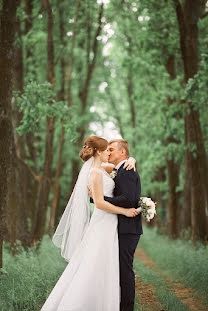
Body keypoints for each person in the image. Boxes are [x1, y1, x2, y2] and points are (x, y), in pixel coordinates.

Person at [41, 136, 139, 311]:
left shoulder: (103, 168)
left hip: (110, 222)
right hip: (103, 221)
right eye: (106, 150)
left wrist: (132, 158)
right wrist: (124, 211)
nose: (108, 153)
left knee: (106, 264)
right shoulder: (94, 171)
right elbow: (100, 203)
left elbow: (123, 165)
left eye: (111, 150)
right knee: (94, 262)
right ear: (99, 152)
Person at [104, 139, 142, 311]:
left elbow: (128, 200)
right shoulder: (119, 170)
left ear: (122, 153)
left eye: (111, 149)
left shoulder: (126, 171)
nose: (108, 152)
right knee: (120, 270)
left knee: (125, 271)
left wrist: (99, 200)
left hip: (127, 228)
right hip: (123, 227)